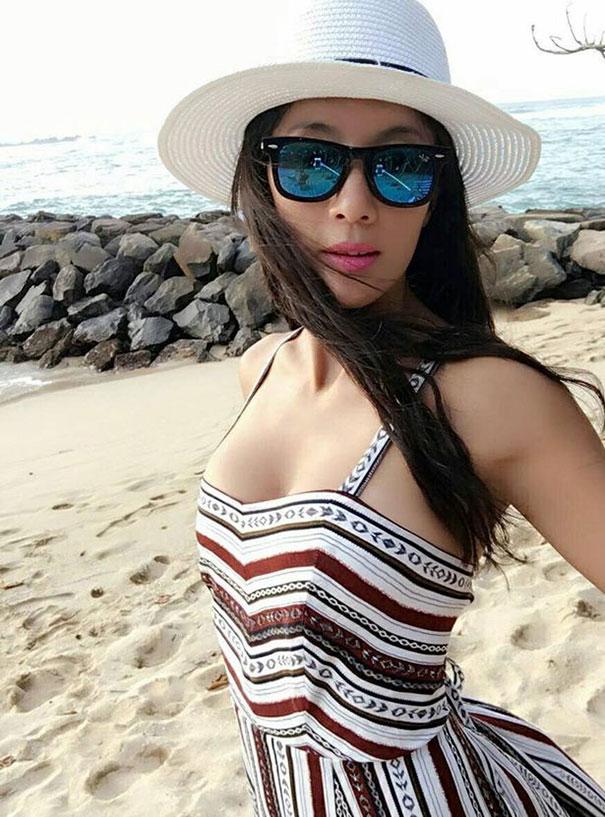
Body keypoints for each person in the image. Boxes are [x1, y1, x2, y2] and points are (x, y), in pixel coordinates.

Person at [157, 0, 605, 814]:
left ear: (436, 195)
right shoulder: (260, 369)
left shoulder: (486, 396)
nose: (354, 203)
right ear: (260, 179)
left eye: (399, 164)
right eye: (310, 160)